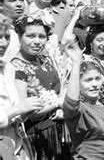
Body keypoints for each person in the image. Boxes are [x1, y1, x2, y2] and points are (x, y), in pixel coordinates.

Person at [62, 38, 104, 159]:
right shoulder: (79, 110)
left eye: (97, 79)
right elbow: (71, 102)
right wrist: (76, 62)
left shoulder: (102, 105)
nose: (94, 84)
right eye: (88, 80)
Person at [11, 16, 64, 159]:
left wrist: (59, 108)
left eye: (42, 36)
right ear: (19, 37)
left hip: (57, 126)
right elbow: (27, 111)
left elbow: (58, 88)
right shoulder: (16, 67)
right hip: (36, 133)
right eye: (30, 36)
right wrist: (58, 103)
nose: (37, 41)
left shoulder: (45, 59)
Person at [0, 22, 43, 159]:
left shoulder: (7, 69)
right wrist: (20, 108)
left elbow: (15, 110)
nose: (3, 43)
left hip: (14, 145)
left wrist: (28, 108)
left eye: (6, 37)